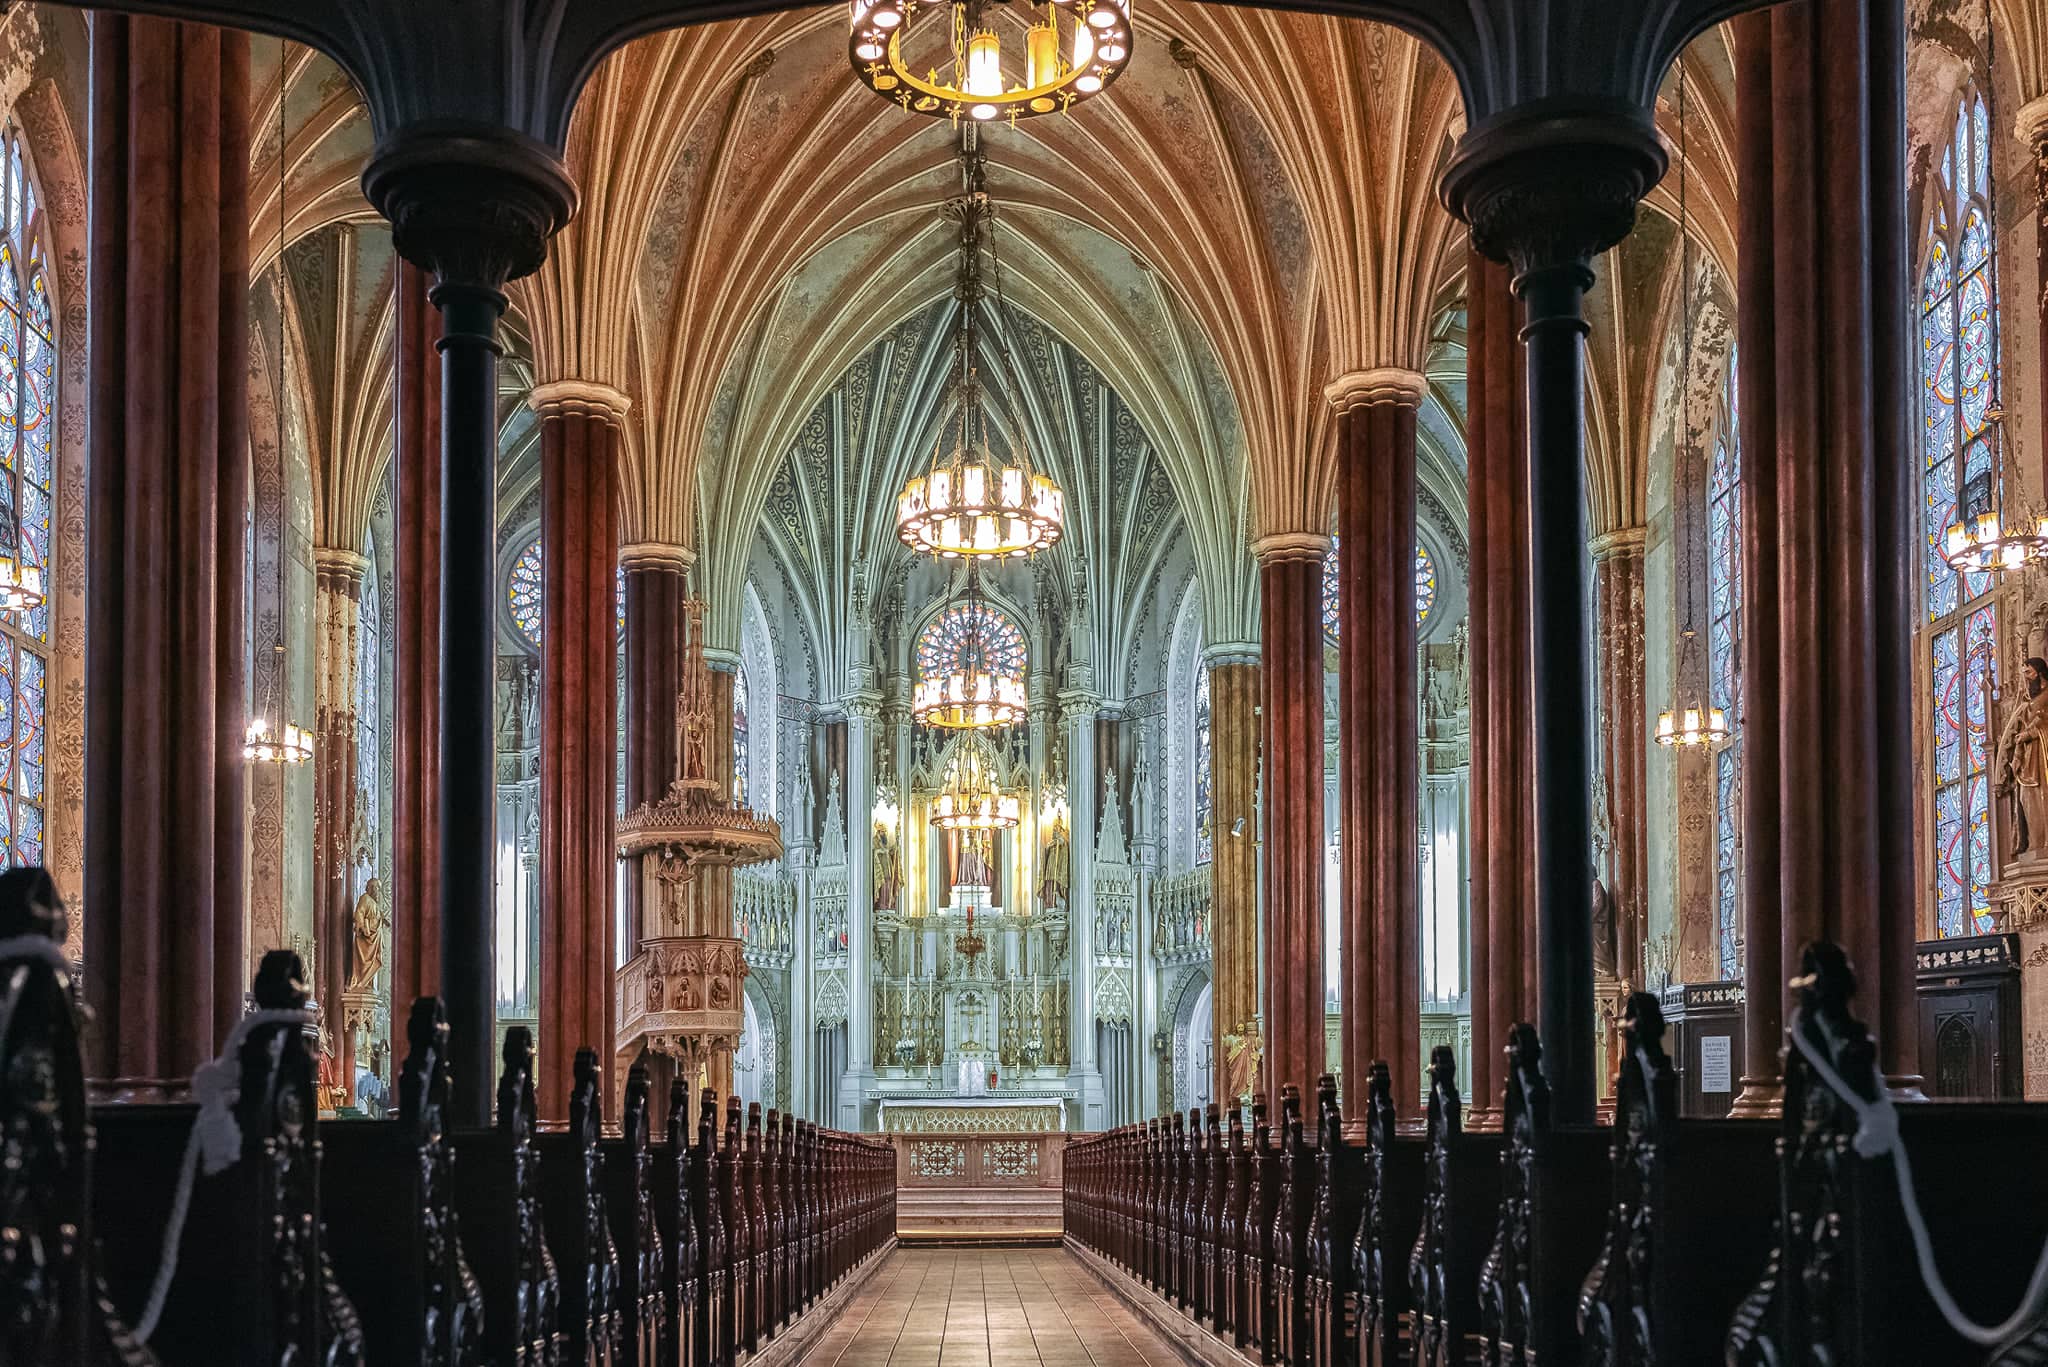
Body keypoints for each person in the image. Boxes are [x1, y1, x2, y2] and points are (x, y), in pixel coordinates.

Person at [1999, 656, 2048, 861]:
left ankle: (2044, 843)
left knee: (2042, 796)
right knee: (2026, 798)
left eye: (2028, 672)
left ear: (2039, 672)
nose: (2025, 678)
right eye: (2023, 674)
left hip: (2042, 756)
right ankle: (2035, 843)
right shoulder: (2029, 700)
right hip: (2027, 758)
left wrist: (2029, 734)